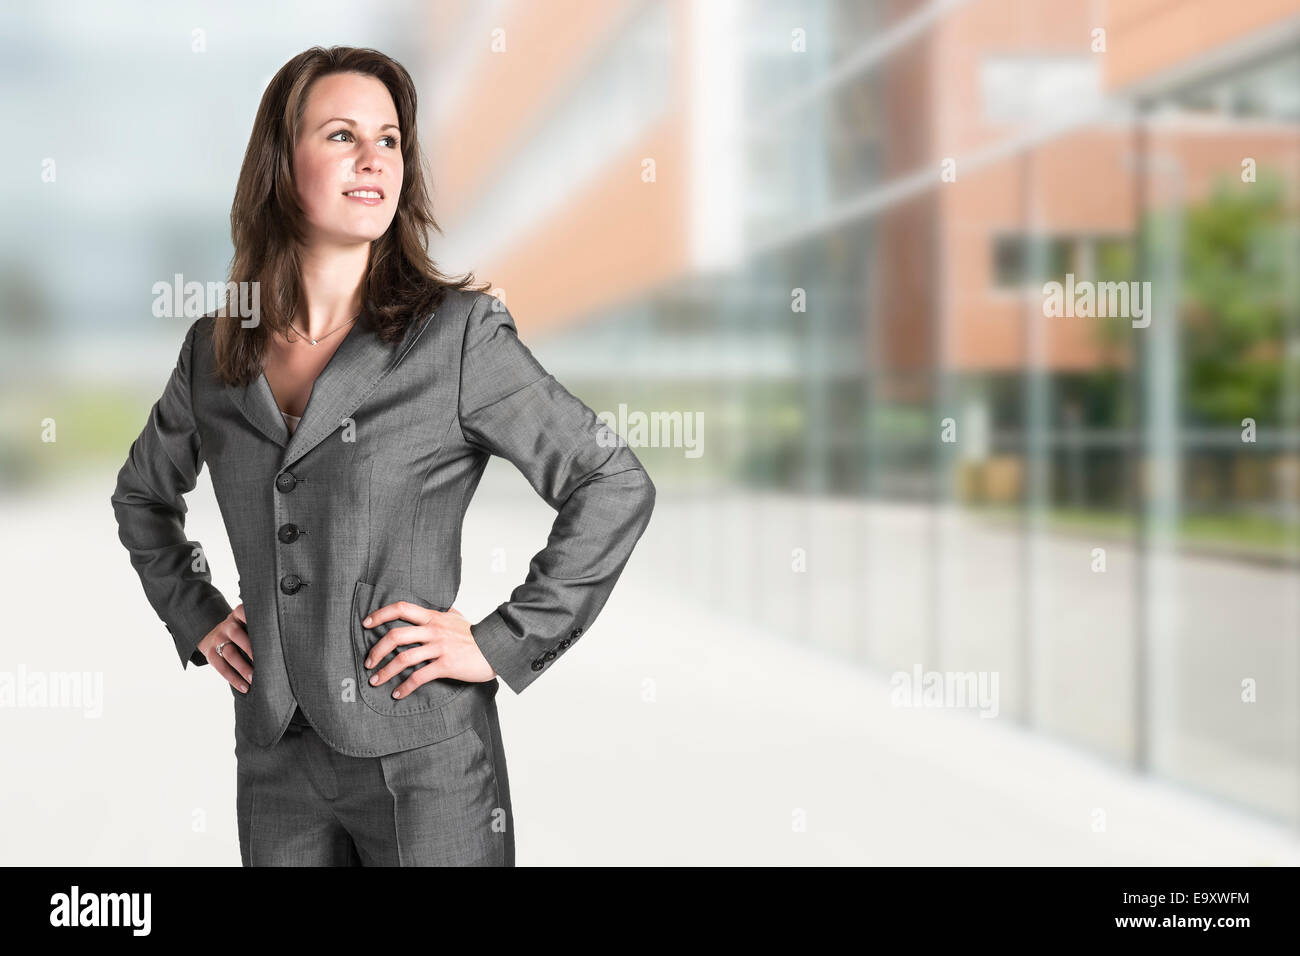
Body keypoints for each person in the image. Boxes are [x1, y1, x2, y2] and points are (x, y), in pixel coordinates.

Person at [110, 45, 656, 866]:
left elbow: (611, 479)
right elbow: (142, 499)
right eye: (341, 135)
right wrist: (195, 615)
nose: (374, 159)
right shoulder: (214, 350)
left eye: (391, 139)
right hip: (273, 762)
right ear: (279, 164)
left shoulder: (460, 337)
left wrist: (501, 640)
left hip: (425, 758)